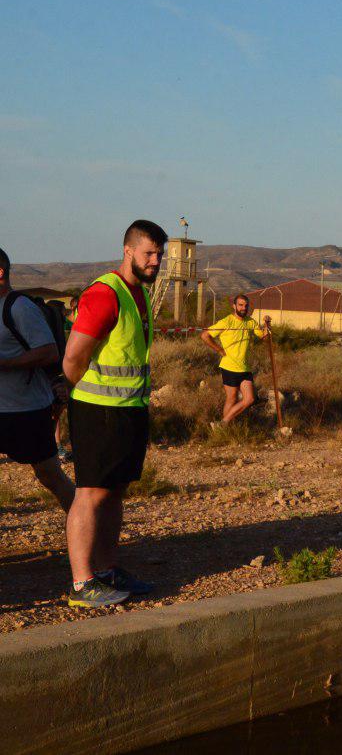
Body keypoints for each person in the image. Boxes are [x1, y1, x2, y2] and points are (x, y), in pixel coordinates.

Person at [62, 219, 168, 608]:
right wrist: (77, 395)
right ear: (128, 251)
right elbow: (73, 357)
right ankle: (82, 583)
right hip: (98, 411)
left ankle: (106, 570)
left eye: (159, 254)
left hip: (129, 411)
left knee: (115, 491)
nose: (156, 261)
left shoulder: (138, 294)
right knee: (90, 493)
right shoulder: (105, 294)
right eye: (149, 253)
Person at [0, 247, 76, 514]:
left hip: (25, 410)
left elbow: (49, 352)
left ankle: (88, 529)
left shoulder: (20, 308)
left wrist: (5, 364)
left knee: (49, 475)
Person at [201, 294, 271, 425]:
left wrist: (267, 324)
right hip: (229, 367)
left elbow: (264, 337)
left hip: (245, 368)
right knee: (232, 399)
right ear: (234, 306)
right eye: (240, 305)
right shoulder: (226, 321)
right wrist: (219, 350)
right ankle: (225, 428)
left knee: (250, 399)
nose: (244, 308)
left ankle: (222, 423)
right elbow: (205, 335)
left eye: (246, 305)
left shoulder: (250, 322)